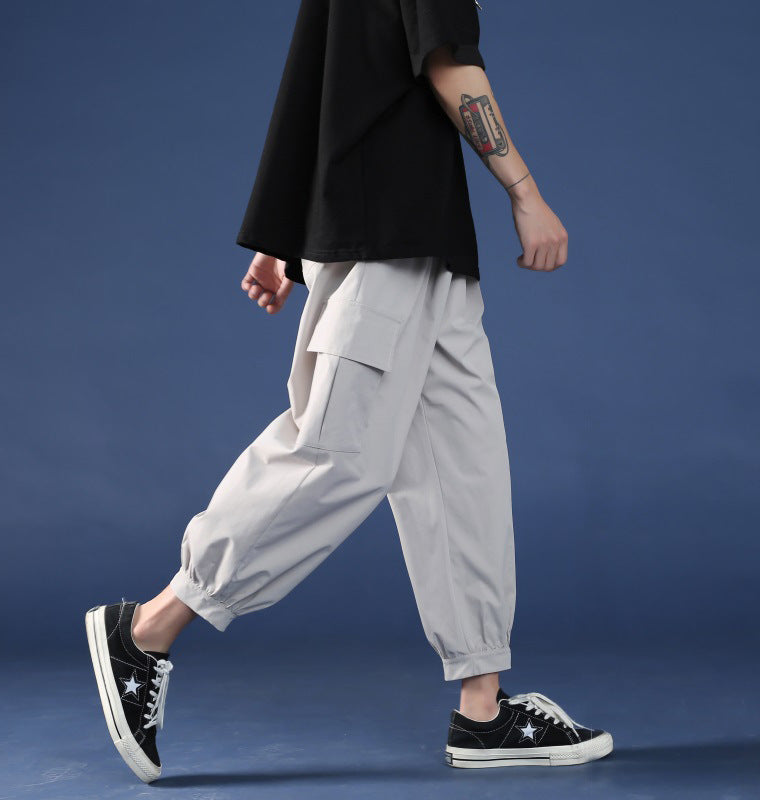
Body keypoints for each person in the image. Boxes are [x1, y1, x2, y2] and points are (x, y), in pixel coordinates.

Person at [84, 0, 612, 783]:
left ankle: (483, 708)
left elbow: (321, 76)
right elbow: (446, 61)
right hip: (387, 236)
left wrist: (285, 239)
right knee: (337, 451)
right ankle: (149, 628)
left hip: (423, 238)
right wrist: (524, 190)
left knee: (462, 467)